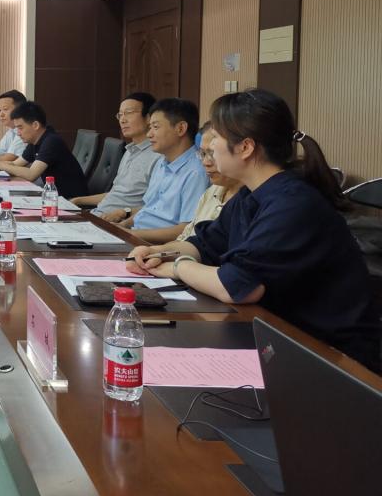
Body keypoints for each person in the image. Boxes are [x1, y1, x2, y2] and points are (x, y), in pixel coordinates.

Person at [128, 89, 380, 371]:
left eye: (217, 138)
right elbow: (205, 244)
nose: (210, 147)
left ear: (245, 147)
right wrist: (160, 252)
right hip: (276, 335)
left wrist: (178, 266)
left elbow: (238, 286)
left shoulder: (292, 203)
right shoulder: (251, 195)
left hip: (332, 356)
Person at [133, 122, 241, 244]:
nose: (206, 162)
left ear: (244, 149)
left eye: (213, 153)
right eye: (203, 154)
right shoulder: (212, 191)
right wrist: (159, 251)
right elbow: (186, 237)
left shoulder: (246, 202)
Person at [119, 97, 207, 235]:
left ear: (180, 128)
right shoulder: (161, 162)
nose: (149, 134)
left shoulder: (196, 172)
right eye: (150, 128)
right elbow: (148, 208)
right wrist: (121, 226)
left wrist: (130, 234)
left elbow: (187, 229)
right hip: (136, 234)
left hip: (153, 243)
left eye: (155, 127)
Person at [71, 92, 159, 219]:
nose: (122, 120)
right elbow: (116, 194)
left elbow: (153, 206)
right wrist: (78, 200)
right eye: (120, 115)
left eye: (129, 113)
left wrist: (123, 215)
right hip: (96, 215)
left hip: (115, 222)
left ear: (149, 118)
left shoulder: (158, 156)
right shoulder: (129, 151)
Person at [0, 101, 89, 197]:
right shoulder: (35, 141)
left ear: (35, 125)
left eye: (20, 128)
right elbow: (15, 164)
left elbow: (31, 174)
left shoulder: (51, 141)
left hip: (71, 201)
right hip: (53, 197)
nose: (18, 133)